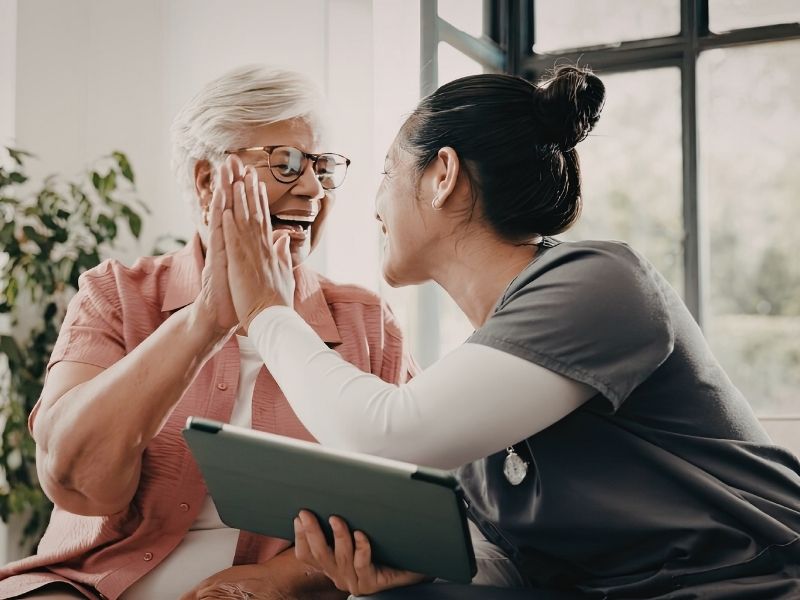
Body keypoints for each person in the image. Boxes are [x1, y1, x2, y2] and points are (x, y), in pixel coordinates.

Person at [213, 65, 800, 599]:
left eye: (389, 170)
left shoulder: (601, 283)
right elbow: (511, 559)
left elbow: (385, 432)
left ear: (442, 175)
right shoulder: (491, 376)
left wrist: (266, 309)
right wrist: (413, 569)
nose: (374, 204)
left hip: (753, 581)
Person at [0, 64, 418, 600]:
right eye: (286, 163)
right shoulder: (115, 295)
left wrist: (273, 580)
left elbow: (405, 515)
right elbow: (78, 483)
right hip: (87, 589)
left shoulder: (368, 324)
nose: (313, 189)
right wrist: (206, 320)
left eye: (323, 166)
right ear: (206, 181)